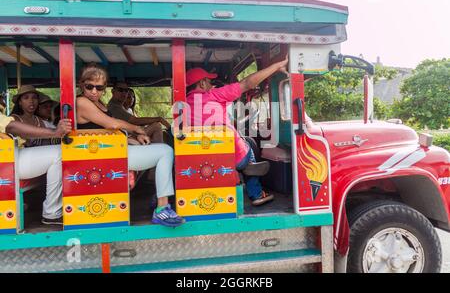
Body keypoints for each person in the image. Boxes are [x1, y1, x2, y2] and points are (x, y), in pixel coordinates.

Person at [76, 63, 185, 227]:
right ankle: (162, 207)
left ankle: (160, 196)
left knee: (160, 150)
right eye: (89, 86)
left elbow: (108, 133)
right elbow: (112, 124)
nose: (93, 91)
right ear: (81, 84)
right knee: (165, 152)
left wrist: (132, 138)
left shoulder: (100, 104)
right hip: (100, 156)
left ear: (104, 88)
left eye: (98, 88)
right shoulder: (82, 102)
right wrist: (137, 129)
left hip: (109, 151)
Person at [185, 56, 289, 206]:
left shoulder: (184, 105)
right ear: (201, 83)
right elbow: (247, 83)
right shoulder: (213, 95)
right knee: (248, 145)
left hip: (204, 158)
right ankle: (256, 193)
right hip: (231, 156)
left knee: (244, 142)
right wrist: (277, 66)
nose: (211, 85)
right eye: (209, 82)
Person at [0, 112, 72, 225]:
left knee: (60, 151)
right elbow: (10, 126)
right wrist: (54, 132)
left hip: (11, 156)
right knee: (60, 153)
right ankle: (52, 213)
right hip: (6, 162)